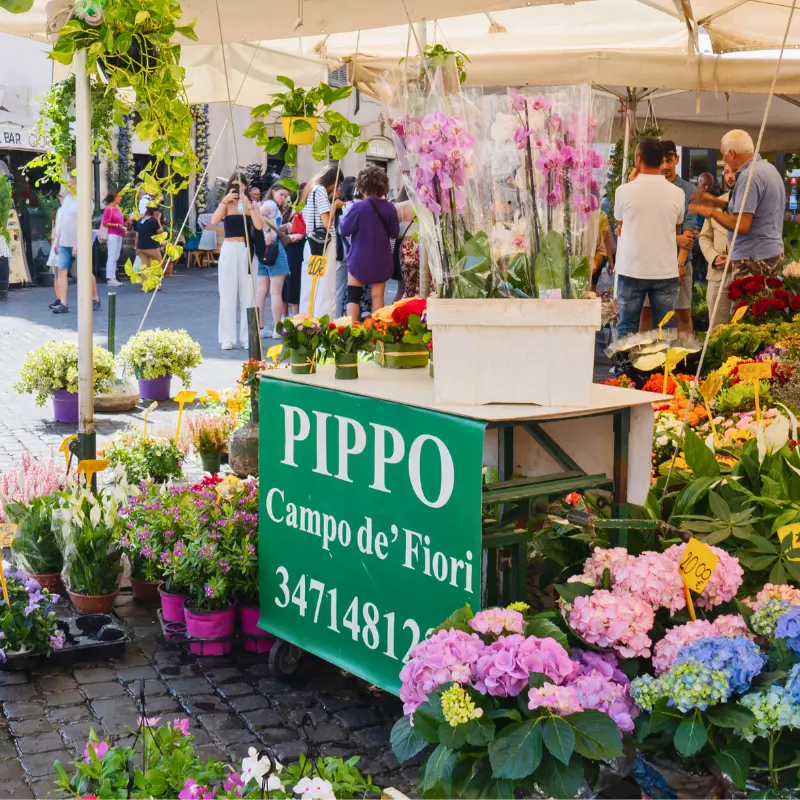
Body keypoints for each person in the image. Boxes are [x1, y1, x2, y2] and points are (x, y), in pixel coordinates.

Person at [690, 129, 786, 281]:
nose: (724, 159)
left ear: (732, 154)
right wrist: (719, 203)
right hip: (769, 254)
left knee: (747, 305)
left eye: (724, 154)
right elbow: (753, 209)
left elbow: (742, 225)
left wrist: (712, 212)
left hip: (753, 259)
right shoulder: (768, 169)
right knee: (766, 304)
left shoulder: (749, 176)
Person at [614, 138, 686, 339]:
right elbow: (676, 226)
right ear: (663, 160)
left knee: (627, 326)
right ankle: (664, 370)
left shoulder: (623, 191)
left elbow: (620, 223)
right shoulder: (677, 193)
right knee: (665, 329)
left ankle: (625, 370)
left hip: (631, 268)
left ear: (638, 159)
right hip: (665, 269)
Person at [639, 141, 695, 334]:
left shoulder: (688, 190)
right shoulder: (649, 188)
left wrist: (681, 262)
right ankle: (642, 361)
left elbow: (689, 231)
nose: (665, 166)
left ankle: (685, 362)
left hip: (680, 262)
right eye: (661, 161)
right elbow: (647, 229)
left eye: (669, 160)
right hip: (651, 262)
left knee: (682, 313)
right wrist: (675, 239)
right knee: (646, 313)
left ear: (677, 159)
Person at [210, 174, 264, 350]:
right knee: (227, 293)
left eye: (241, 185)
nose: (238, 189)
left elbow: (259, 226)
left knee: (249, 294)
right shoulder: (226, 204)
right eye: (235, 185)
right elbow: (214, 221)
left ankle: (248, 336)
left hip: (247, 248)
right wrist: (224, 202)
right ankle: (227, 337)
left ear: (246, 187)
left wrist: (249, 205)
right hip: (229, 248)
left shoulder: (251, 203)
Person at [340, 165, 400, 323]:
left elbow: (344, 229)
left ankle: (352, 333)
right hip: (381, 258)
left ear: (362, 186)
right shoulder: (390, 209)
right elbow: (395, 233)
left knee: (353, 295)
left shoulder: (358, 207)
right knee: (377, 297)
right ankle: (377, 335)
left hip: (359, 258)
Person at [299, 166, 342, 318]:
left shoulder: (310, 190)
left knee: (310, 287)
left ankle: (305, 325)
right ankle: (323, 329)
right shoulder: (321, 191)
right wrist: (335, 205)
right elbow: (327, 222)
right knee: (325, 287)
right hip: (325, 244)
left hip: (311, 242)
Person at [52, 180, 100, 314]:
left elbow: (85, 225)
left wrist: (78, 244)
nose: (70, 185)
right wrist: (57, 240)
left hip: (79, 242)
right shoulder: (67, 200)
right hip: (64, 242)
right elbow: (63, 221)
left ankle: (95, 297)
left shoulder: (86, 201)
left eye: (72, 182)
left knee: (85, 271)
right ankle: (63, 303)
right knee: (62, 271)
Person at [700, 164, 737, 330]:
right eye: (727, 172)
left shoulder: (753, 205)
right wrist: (714, 257)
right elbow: (704, 237)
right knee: (716, 332)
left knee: (743, 331)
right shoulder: (716, 203)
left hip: (743, 276)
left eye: (734, 171)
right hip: (717, 274)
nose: (730, 176)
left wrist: (733, 261)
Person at [256, 182, 290, 337]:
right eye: (281, 194)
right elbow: (256, 214)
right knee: (276, 292)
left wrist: (275, 229)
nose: (283, 198)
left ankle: (260, 327)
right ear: (274, 191)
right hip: (275, 250)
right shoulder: (271, 204)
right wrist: (267, 233)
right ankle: (277, 328)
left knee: (261, 290)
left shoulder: (270, 205)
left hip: (264, 250)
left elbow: (261, 218)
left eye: (285, 196)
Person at [101, 189, 126, 287]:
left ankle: (113, 277)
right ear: (114, 197)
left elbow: (120, 221)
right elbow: (105, 222)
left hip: (119, 233)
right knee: (112, 255)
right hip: (112, 234)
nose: (120, 198)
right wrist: (117, 225)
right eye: (119, 196)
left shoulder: (118, 208)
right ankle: (110, 278)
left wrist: (124, 225)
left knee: (116, 256)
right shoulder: (108, 209)